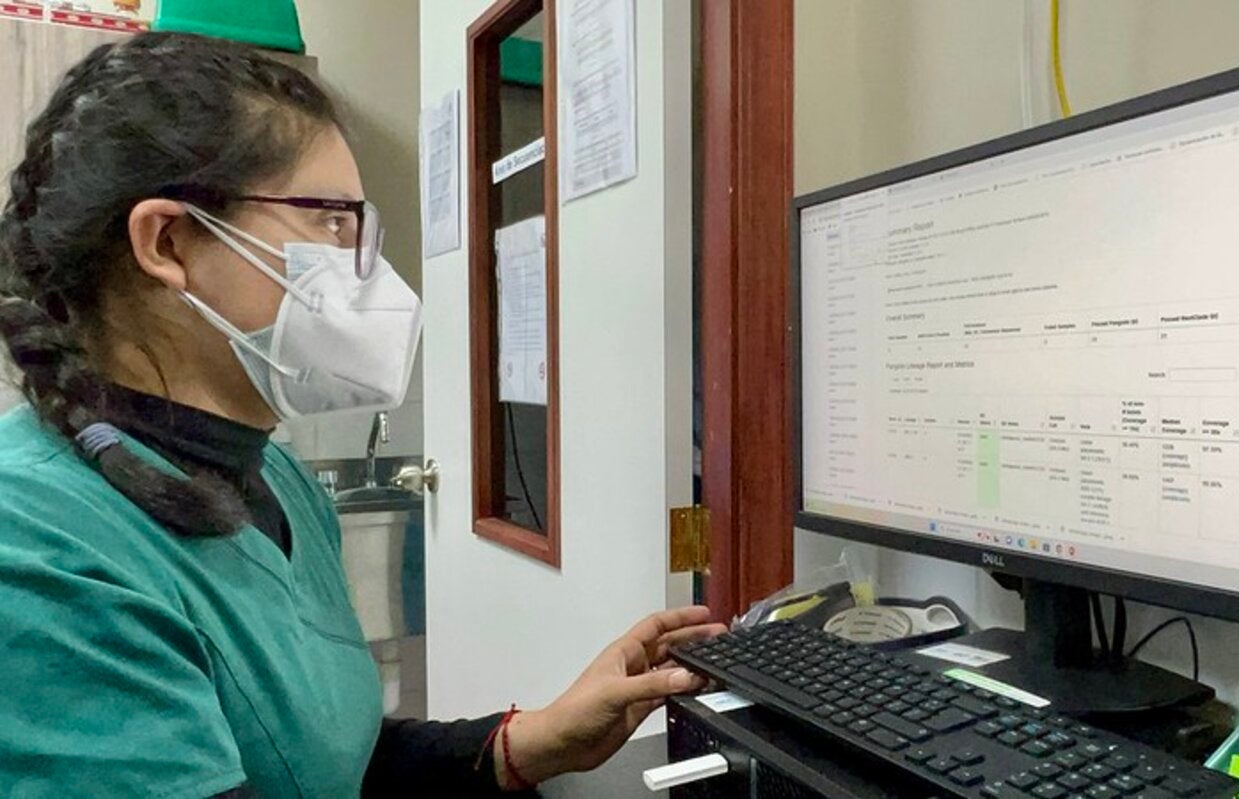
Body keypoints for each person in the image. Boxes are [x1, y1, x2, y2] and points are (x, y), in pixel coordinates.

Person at [0, 32, 722, 797]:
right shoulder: (39, 545)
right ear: (169, 241)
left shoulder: (278, 480)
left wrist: (535, 738)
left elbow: (337, 763)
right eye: (332, 222)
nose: (367, 269)